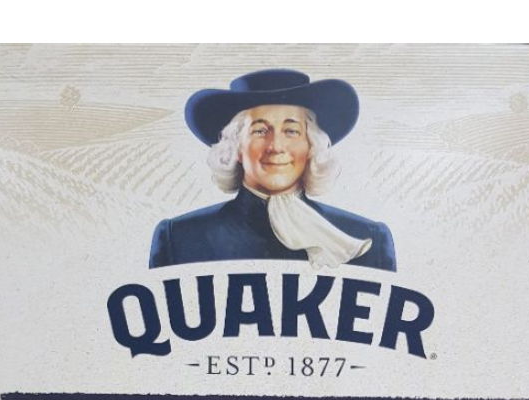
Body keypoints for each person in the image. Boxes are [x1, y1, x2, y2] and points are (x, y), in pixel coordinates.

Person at [149, 69, 396, 271]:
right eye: (259, 131)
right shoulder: (179, 239)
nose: (276, 146)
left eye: (291, 131)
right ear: (235, 147)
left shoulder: (365, 239)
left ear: (311, 145)